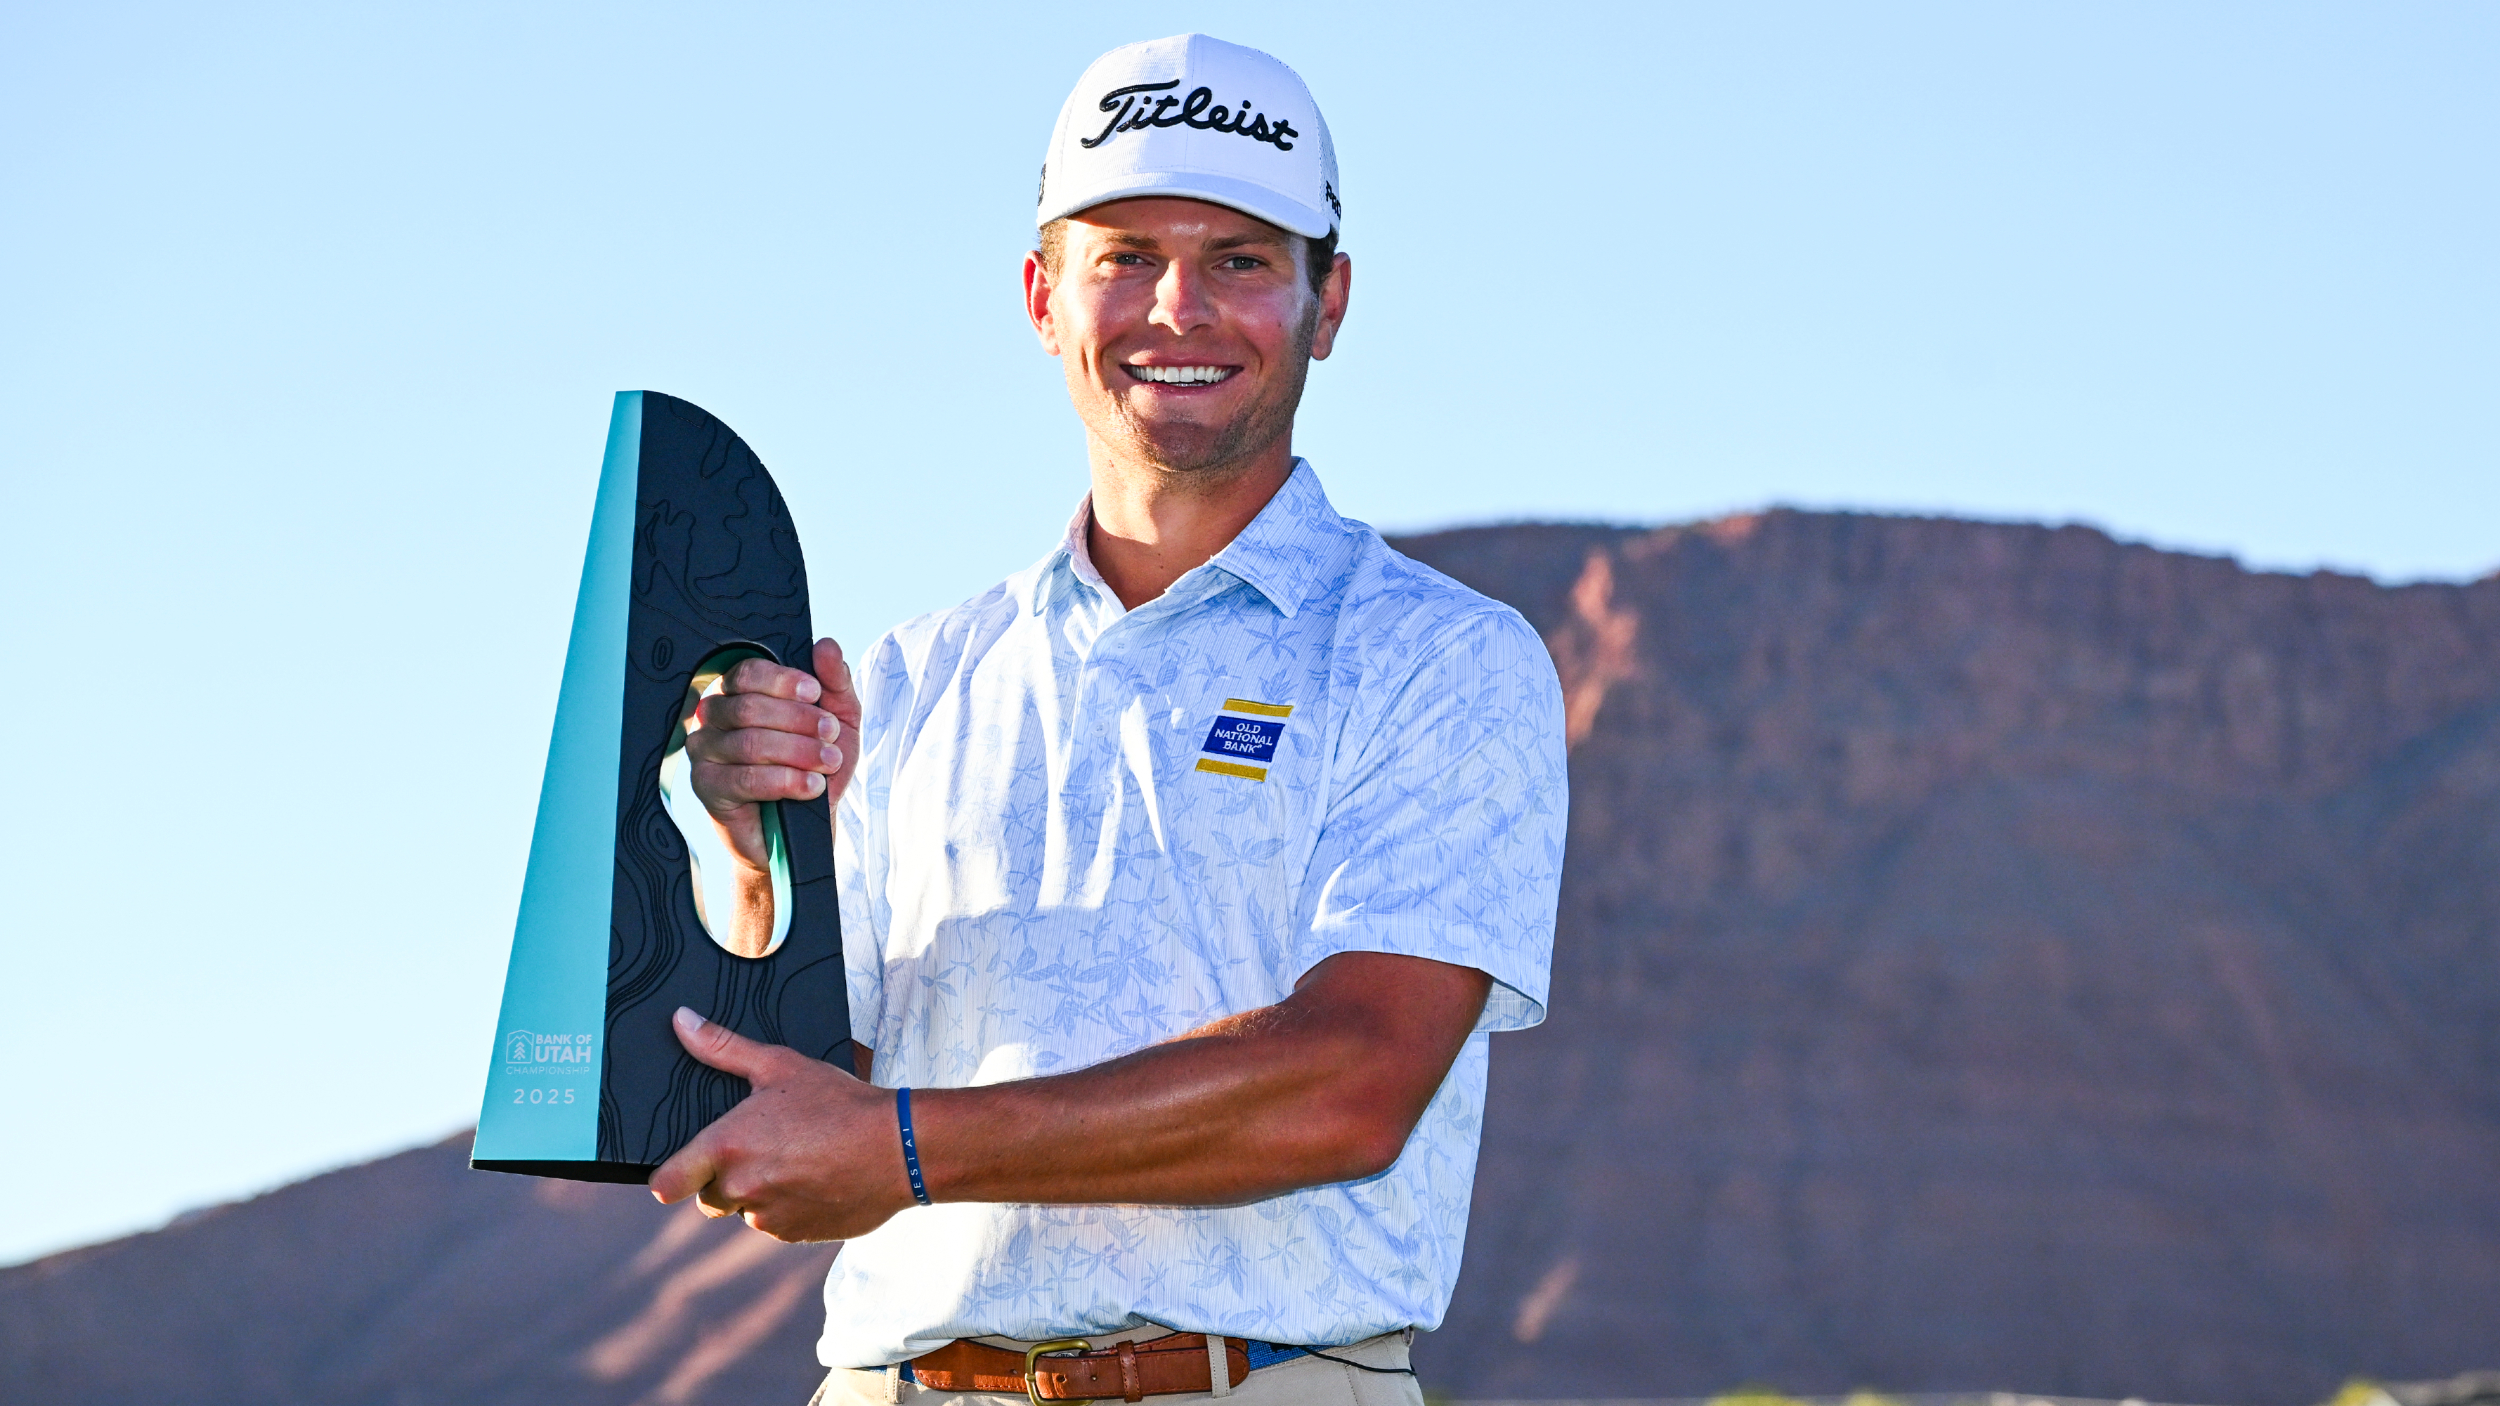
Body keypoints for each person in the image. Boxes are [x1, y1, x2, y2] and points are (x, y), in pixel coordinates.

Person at [651, 33, 1568, 1406]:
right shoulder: (910, 682)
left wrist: (902, 1146)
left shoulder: (1439, 659)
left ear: (1330, 304)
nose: (1179, 307)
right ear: (1041, 294)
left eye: (1243, 261)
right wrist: (739, 849)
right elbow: (776, 1126)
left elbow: (1352, 1082)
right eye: (1125, 254)